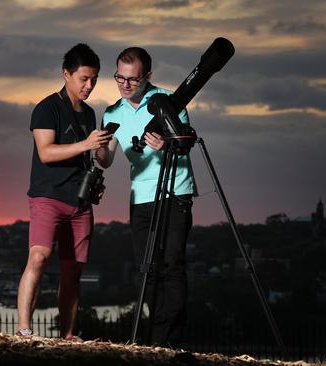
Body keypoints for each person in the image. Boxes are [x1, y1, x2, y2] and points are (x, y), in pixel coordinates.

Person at [95, 47, 197, 346]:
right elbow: (106, 159)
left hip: (174, 191)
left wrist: (166, 143)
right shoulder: (112, 112)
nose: (124, 85)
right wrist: (97, 146)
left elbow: (186, 142)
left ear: (148, 77)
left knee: (172, 267)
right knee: (147, 272)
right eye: (119, 78)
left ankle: (167, 342)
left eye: (132, 79)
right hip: (140, 198)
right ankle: (159, 340)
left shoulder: (171, 100)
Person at [16, 43, 111, 340]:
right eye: (84, 78)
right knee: (39, 258)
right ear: (66, 74)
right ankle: (23, 329)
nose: (89, 85)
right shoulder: (46, 108)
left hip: (80, 202)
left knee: (73, 272)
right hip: (48, 196)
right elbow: (46, 153)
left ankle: (68, 335)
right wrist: (86, 144)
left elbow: (92, 158)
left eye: (94, 79)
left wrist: (95, 170)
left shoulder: (90, 115)